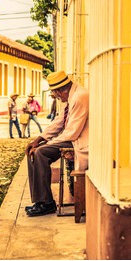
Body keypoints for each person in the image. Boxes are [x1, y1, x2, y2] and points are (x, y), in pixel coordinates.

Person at [25, 70, 89, 217]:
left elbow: (72, 132)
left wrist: (46, 144)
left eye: (55, 94)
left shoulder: (80, 97)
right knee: (32, 151)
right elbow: (58, 122)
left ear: (59, 91)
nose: (56, 97)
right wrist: (38, 139)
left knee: (40, 152)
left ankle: (46, 203)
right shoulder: (71, 98)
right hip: (72, 139)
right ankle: (40, 201)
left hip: (80, 142)